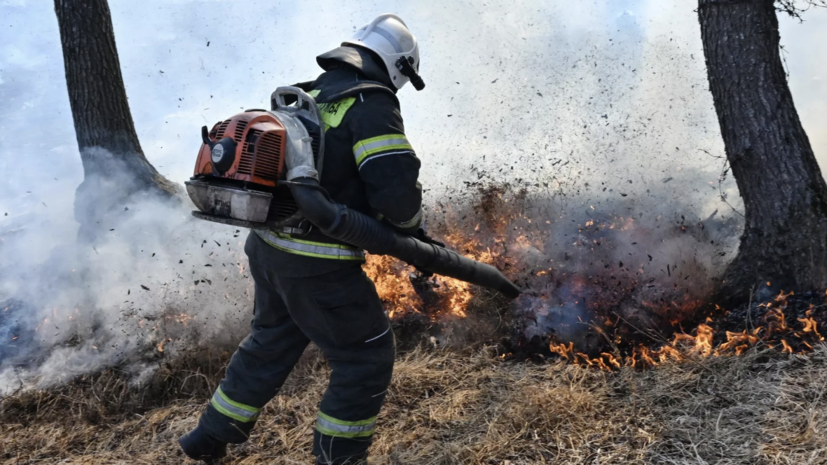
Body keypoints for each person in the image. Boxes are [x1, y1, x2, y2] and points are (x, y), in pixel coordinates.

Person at [179, 14, 424, 465]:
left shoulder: (307, 92)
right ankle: (339, 458)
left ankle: (209, 436)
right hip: (319, 260)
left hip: (269, 249)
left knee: (270, 342)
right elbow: (394, 188)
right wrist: (412, 230)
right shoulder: (371, 103)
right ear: (398, 65)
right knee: (364, 357)